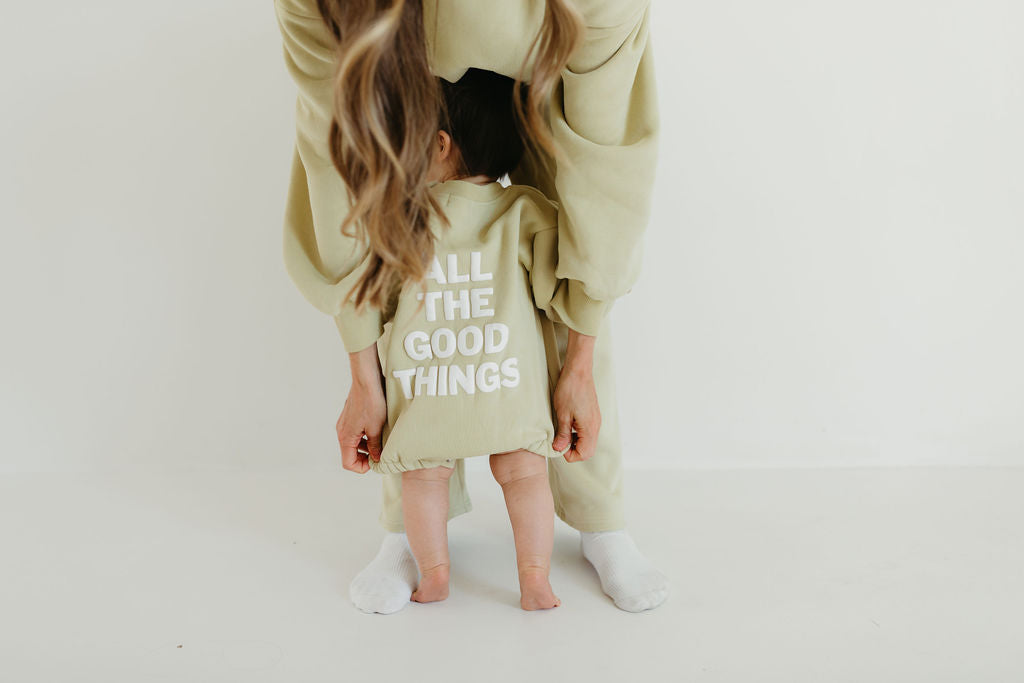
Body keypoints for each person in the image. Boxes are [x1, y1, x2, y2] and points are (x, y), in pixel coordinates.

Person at [273, 0, 670, 613]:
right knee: (409, 409)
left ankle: (600, 518)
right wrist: (362, 373)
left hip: (544, 64)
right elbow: (338, 164)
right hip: (400, 77)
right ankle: (403, 535)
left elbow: (603, 163)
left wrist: (582, 354)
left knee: (572, 270)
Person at [363, 68, 594, 610]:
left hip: (428, 388)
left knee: (423, 478)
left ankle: (436, 575)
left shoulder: (405, 217)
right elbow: (555, 291)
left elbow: (381, 299)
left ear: (440, 145)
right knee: (524, 472)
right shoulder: (524, 211)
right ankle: (534, 579)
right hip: (505, 382)